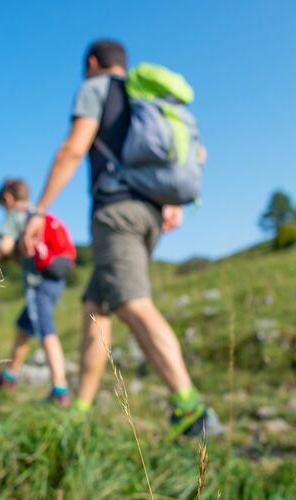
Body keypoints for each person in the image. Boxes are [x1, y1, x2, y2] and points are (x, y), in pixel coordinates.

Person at [22, 40, 220, 438]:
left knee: (132, 303)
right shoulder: (144, 100)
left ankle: (192, 410)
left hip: (117, 214)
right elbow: (195, 154)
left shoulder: (97, 88)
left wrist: (38, 210)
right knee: (97, 307)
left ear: (92, 63)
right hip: (148, 214)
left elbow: (75, 147)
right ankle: (80, 408)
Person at [0, 178, 70, 406]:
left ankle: (60, 390)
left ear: (7, 198)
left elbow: (4, 247)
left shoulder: (15, 215)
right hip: (55, 279)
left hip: (37, 283)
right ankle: (8, 377)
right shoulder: (38, 212)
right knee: (24, 327)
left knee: (46, 331)